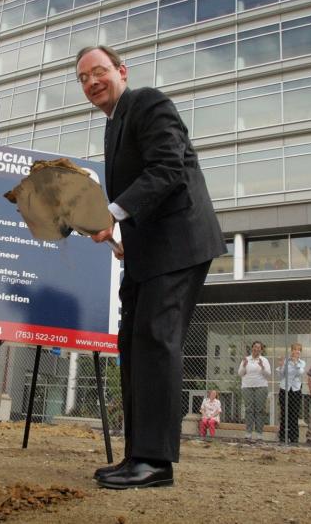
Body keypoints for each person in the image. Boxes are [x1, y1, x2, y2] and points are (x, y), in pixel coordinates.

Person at [77, 45, 224, 490]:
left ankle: (156, 462)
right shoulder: (112, 127)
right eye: (83, 78)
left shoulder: (148, 102)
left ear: (122, 71)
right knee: (133, 344)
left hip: (179, 243)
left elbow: (168, 168)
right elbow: (139, 190)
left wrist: (114, 214)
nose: (91, 82)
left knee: (157, 341)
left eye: (99, 71)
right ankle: (137, 453)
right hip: (145, 250)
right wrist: (121, 232)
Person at [239, 341, 271, 442]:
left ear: (261, 350)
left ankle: (259, 433)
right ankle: (248, 433)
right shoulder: (246, 359)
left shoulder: (264, 360)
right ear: (252, 348)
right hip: (247, 387)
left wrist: (262, 366)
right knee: (249, 410)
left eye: (259, 347)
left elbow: (268, 374)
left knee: (259, 410)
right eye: (255, 347)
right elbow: (240, 373)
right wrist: (244, 365)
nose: (256, 349)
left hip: (261, 387)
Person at [278, 343, 305, 444]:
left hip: (296, 390)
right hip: (285, 389)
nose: (296, 351)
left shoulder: (302, 362)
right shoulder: (286, 361)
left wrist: (295, 363)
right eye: (295, 349)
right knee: (284, 413)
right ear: (291, 351)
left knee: (294, 414)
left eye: (299, 350)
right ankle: (283, 436)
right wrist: (281, 366)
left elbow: (300, 373)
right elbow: (281, 375)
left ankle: (294, 437)